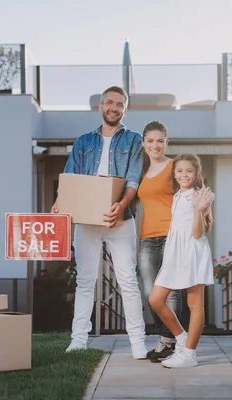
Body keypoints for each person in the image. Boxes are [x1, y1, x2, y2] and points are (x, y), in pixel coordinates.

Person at [51, 86, 148, 359]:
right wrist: (61, 203)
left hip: (121, 219)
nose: (114, 107)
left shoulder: (133, 140)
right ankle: (78, 340)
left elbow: (133, 180)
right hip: (86, 220)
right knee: (85, 280)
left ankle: (137, 342)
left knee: (128, 280)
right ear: (100, 106)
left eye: (120, 104)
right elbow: (70, 177)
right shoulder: (83, 141)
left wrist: (121, 206)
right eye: (109, 102)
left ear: (125, 109)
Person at [149, 153, 215, 368]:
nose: (184, 174)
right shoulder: (178, 195)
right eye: (180, 171)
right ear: (174, 173)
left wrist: (198, 209)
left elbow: (197, 233)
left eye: (189, 171)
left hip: (192, 251)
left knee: (194, 303)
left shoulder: (199, 196)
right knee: (156, 299)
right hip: (174, 253)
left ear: (196, 173)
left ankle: (189, 354)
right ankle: (181, 339)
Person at [136, 121, 183, 363]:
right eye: (150, 141)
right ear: (143, 143)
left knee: (171, 291)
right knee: (150, 291)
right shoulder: (141, 169)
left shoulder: (176, 166)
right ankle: (172, 338)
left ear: (167, 142)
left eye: (160, 141)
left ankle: (168, 342)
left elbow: (193, 194)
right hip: (147, 237)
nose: (155, 145)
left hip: (171, 236)